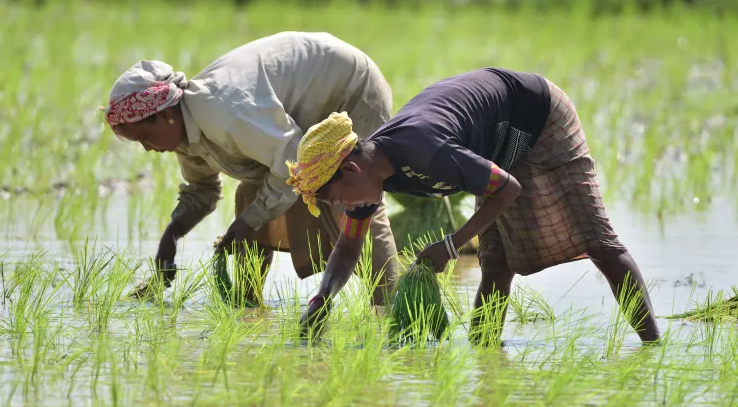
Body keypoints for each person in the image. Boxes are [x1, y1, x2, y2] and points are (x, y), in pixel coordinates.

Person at [288, 67, 661, 344]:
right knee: (495, 259)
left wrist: (450, 246)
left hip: (539, 117)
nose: (342, 207)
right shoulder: (371, 176)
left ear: (350, 169)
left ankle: (652, 346)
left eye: (337, 198)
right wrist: (322, 296)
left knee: (599, 242)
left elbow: (508, 189)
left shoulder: (424, 150)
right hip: (493, 145)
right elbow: (350, 245)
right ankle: (487, 355)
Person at [100, 31, 399, 305]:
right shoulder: (185, 132)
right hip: (302, 112)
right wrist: (172, 234)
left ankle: (392, 312)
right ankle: (247, 305)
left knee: (354, 202)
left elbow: (291, 163)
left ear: (165, 114)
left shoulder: (224, 113)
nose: (148, 148)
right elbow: (202, 191)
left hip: (350, 90)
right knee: (250, 198)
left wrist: (246, 222)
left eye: (146, 137)